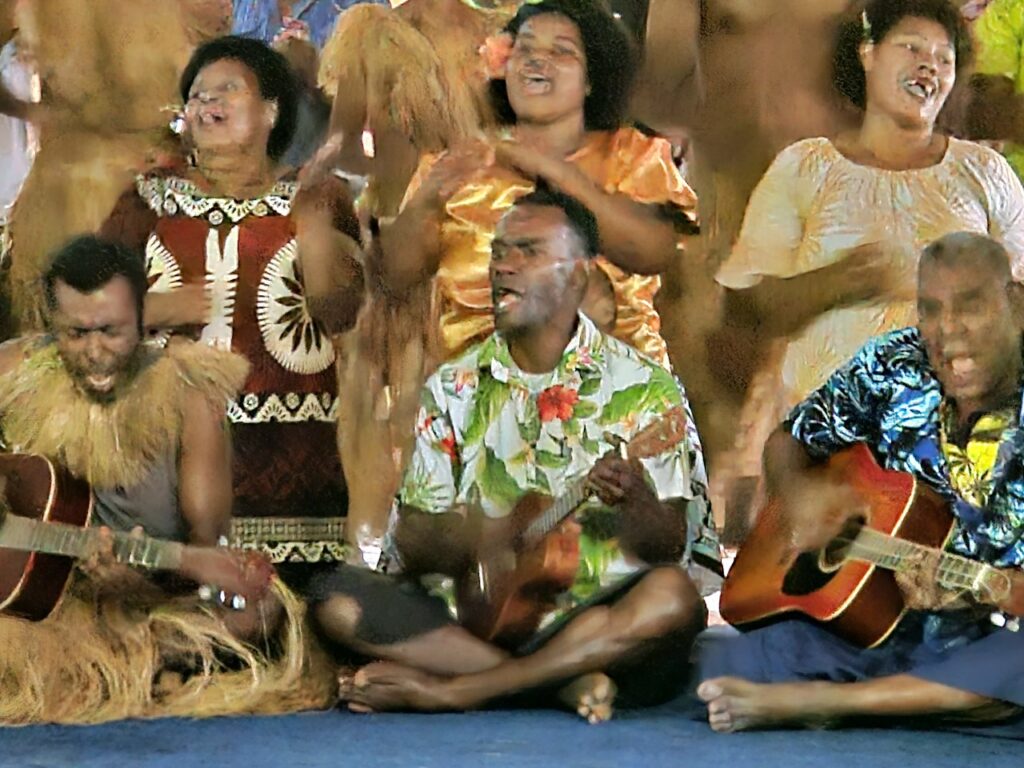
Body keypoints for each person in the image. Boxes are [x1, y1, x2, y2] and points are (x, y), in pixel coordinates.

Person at [311, 189, 722, 721]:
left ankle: (464, 689)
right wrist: (473, 537)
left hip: (596, 620)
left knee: (672, 599)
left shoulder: (646, 388)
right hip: (477, 616)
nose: (502, 266)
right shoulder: (454, 386)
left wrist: (637, 498)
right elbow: (412, 543)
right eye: (498, 252)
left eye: (526, 251)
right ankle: (555, 686)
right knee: (336, 600)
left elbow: (668, 544)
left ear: (577, 276)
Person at [713, 0, 1024, 539]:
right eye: (911, 48)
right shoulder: (805, 166)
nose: (929, 66)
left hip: (957, 443)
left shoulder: (984, 172)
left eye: (943, 59)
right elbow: (744, 306)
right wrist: (831, 284)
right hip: (819, 446)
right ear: (868, 54)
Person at [698, 232, 1024, 733]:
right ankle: (914, 700)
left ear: (1016, 303)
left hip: (992, 640)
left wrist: (979, 592)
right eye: (931, 310)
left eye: (970, 306)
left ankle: (825, 703)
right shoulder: (893, 362)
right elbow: (789, 440)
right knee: (721, 663)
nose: (947, 331)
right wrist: (800, 493)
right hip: (874, 629)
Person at [0, 236, 321, 724]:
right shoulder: (15, 369)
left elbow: (204, 545)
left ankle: (139, 662)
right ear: (51, 324)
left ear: (142, 315)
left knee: (256, 614)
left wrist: (139, 590)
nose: (94, 351)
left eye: (111, 331)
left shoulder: (187, 394)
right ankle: (147, 670)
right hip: (43, 605)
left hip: (155, 597)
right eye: (75, 334)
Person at [101, 36, 365, 575]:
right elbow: (78, 307)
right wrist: (156, 309)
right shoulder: (147, 196)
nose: (208, 103)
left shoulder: (318, 193)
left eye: (227, 89)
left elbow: (340, 311)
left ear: (271, 110)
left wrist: (312, 217)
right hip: (164, 465)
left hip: (294, 470)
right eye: (197, 95)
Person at [382, 0, 697, 368]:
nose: (535, 60)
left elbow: (654, 253)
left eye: (561, 51)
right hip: (479, 402)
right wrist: (426, 201)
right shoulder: (457, 162)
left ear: (592, 77)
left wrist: (550, 169)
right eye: (525, 49)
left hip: (620, 401)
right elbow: (393, 277)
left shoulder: (634, 155)